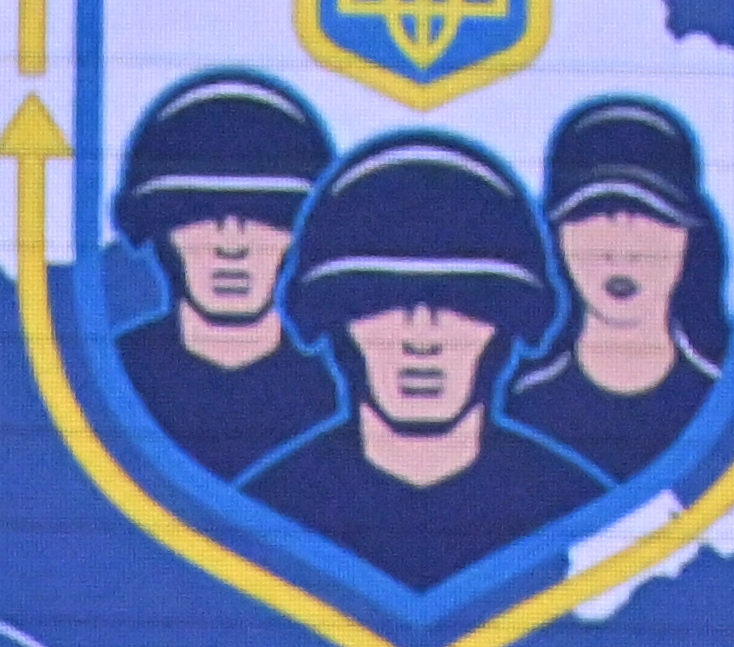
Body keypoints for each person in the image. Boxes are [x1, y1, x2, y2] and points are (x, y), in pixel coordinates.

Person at [239, 135, 619, 591]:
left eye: (459, 302)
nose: (421, 336)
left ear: (506, 322)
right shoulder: (266, 514)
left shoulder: (582, 515)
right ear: (337, 320)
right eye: (384, 301)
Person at [102, 70, 352, 486]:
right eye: (200, 211)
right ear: (154, 226)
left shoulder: (342, 393)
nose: (232, 242)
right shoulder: (111, 380)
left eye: (265, 213)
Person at [508, 93, 729, 486]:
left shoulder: (722, 402)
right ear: (556, 237)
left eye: (648, 216)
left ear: (688, 237)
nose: (620, 250)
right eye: (594, 215)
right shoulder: (519, 407)